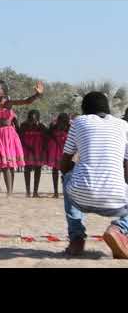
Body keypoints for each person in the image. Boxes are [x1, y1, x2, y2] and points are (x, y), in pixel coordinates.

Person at [61, 92, 128, 259]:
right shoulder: (124, 125)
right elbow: (127, 168)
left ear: (84, 109)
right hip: (115, 201)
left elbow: (64, 163)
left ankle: (76, 237)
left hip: (81, 196)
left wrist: (72, 170)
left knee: (68, 176)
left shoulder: (78, 122)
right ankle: (119, 228)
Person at [19, 110, 46, 198]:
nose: (33, 121)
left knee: (38, 170)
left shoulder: (41, 126)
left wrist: (43, 149)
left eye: (35, 119)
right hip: (27, 150)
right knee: (27, 170)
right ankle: (28, 191)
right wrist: (28, 147)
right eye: (31, 119)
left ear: (38, 118)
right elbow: (20, 138)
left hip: (38, 150)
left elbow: (48, 135)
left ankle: (35, 192)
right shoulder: (23, 125)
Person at [46, 112, 70, 198]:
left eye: (64, 120)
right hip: (55, 150)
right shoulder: (53, 127)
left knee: (66, 172)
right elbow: (48, 135)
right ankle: (55, 192)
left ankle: (66, 191)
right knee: (55, 171)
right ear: (58, 120)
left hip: (66, 151)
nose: (62, 122)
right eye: (61, 120)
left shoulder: (70, 127)